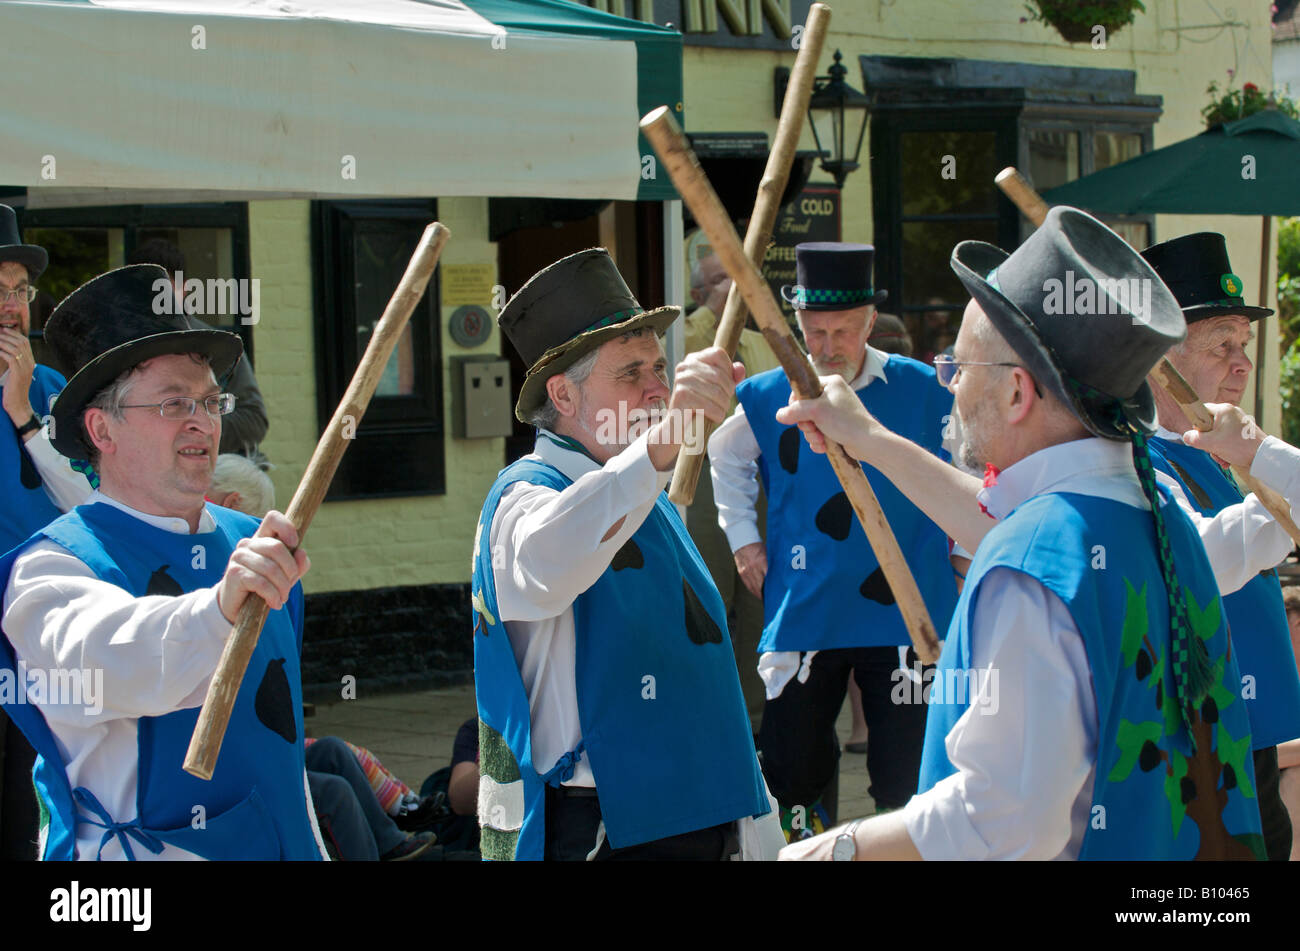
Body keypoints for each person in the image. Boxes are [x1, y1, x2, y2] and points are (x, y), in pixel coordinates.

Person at [778, 207, 1263, 859]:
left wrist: (826, 850)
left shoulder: (1039, 557)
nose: (949, 385)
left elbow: (1002, 821)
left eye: (959, 365)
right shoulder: (1153, 510)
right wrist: (868, 438)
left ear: (1016, 392)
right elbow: (1003, 517)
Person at [0, 264, 323, 860]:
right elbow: (120, 660)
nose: (202, 419)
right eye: (174, 403)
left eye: (209, 400)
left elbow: (281, 752)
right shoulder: (51, 571)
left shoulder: (253, 542)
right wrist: (220, 609)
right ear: (102, 429)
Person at [472, 248, 780, 861]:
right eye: (631, 373)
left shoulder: (649, 494)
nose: (656, 389)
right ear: (562, 395)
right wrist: (667, 443)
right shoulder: (522, 497)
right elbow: (552, 559)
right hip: (606, 827)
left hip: (700, 809)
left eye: (659, 369)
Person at [709, 241, 959, 837]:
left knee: (907, 775)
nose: (826, 347)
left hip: (909, 611)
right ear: (796, 323)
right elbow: (723, 454)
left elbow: (970, 463)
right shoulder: (768, 395)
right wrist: (744, 540)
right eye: (814, 331)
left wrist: (966, 551)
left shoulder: (924, 390)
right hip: (806, 608)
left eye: (842, 331)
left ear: (870, 322)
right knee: (794, 772)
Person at [1137, 232, 1300, 862]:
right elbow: (1204, 563)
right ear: (1160, 359)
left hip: (1249, 729)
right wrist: (1277, 488)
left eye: (1244, 344)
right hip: (1200, 737)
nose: (1243, 364)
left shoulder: (1216, 449)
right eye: (1222, 345)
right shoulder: (1137, 457)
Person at [0, 205, 92, 859]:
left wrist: (25, 417)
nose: (11, 308)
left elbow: (94, 503)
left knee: (54, 805)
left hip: (54, 638)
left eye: (18, 291)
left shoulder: (55, 389)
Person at [682, 248, 781, 731]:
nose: (734, 289)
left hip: (757, 479)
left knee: (757, 597)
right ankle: (705, 711)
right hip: (699, 478)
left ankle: (756, 716)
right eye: (722, 280)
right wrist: (712, 314)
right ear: (700, 293)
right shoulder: (685, 334)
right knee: (710, 594)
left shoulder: (763, 345)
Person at [127, 238, 269, 456]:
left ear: (184, 288)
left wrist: (194, 428)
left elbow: (253, 420)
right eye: (146, 291)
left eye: (164, 290)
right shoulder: (117, 348)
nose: (156, 300)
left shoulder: (216, 344)